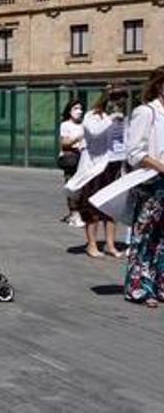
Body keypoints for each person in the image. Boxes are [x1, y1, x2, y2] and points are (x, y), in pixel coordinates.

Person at [66, 83, 128, 259]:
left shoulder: (121, 117)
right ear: (106, 98)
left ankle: (110, 244)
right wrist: (111, 118)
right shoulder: (92, 116)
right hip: (95, 168)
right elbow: (94, 133)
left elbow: (123, 139)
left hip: (115, 165)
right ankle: (92, 244)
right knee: (92, 206)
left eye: (122, 98)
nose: (119, 102)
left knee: (112, 207)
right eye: (116, 98)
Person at [124, 67, 164, 308]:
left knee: (162, 237)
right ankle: (139, 287)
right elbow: (134, 152)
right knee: (145, 236)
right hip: (151, 184)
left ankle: (159, 284)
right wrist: (161, 166)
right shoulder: (146, 112)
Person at [58, 100, 85, 227]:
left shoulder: (84, 125)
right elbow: (64, 143)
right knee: (72, 185)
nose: (79, 111)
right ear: (70, 111)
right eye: (76, 108)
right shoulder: (65, 125)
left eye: (80, 108)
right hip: (71, 158)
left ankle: (81, 211)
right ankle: (74, 213)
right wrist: (78, 138)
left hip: (83, 158)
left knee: (83, 187)